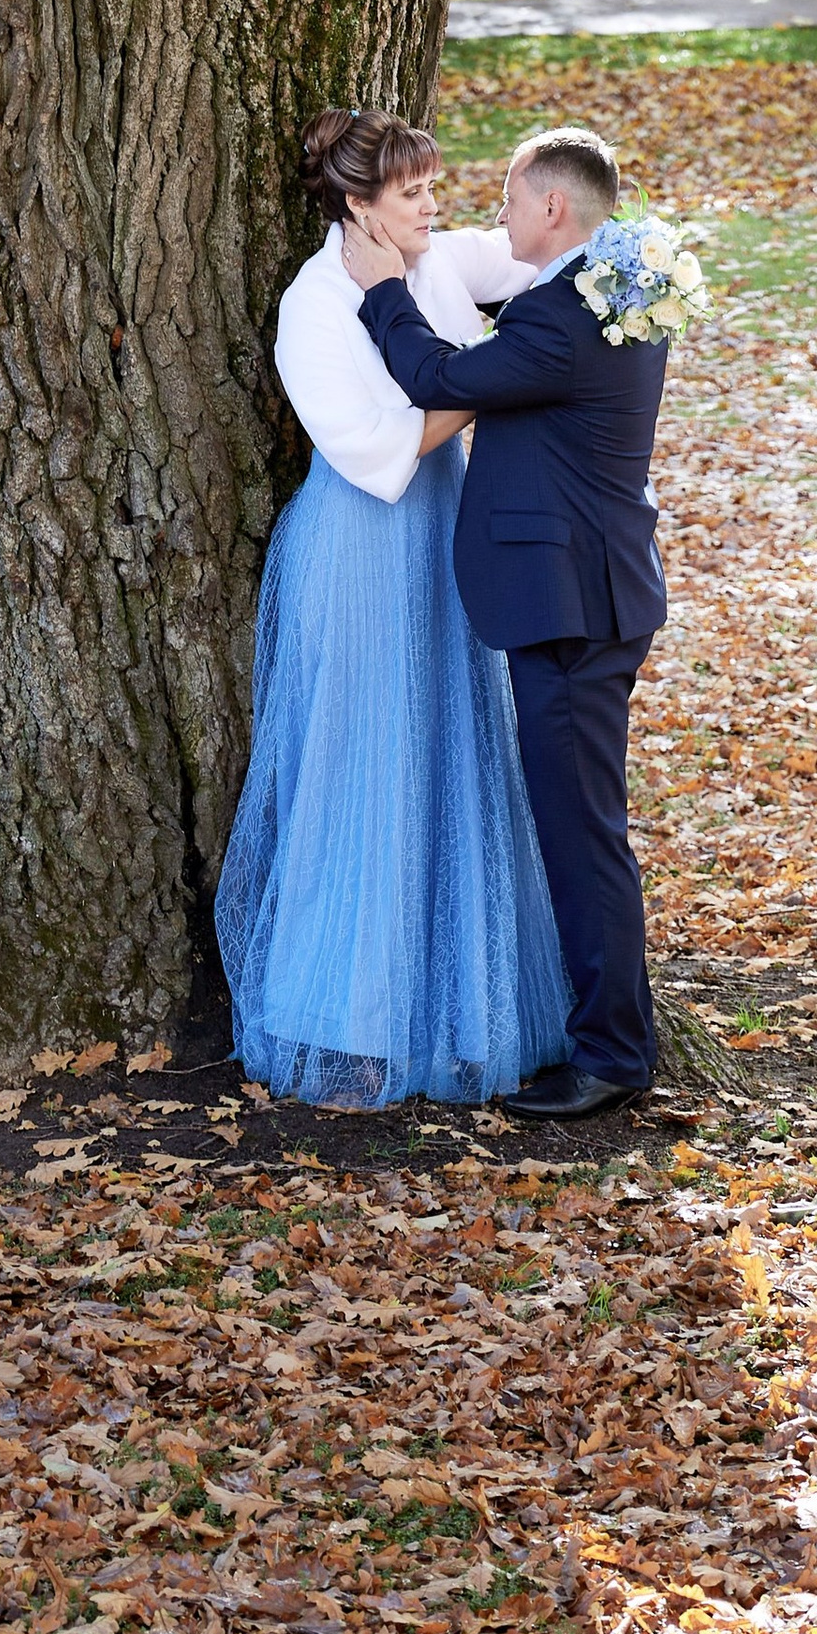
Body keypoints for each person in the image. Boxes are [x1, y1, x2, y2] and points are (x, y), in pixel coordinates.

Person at [215, 107, 573, 1109]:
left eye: (430, 187)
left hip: (448, 542)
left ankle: (459, 1018)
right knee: (366, 773)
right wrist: (497, 383)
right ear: (357, 205)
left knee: (450, 759)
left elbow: (548, 251)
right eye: (410, 193)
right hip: (364, 551)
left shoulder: (439, 262)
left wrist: (634, 258)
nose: (430, 206)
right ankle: (353, 1024)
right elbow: (376, 451)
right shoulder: (316, 304)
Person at [346, 124, 667, 1121]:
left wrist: (380, 290)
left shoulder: (566, 320)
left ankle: (612, 1054)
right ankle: (609, 1037)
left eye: (509, 198)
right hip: (597, 584)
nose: (497, 212)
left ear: (553, 210)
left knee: (581, 836)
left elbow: (438, 380)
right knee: (584, 829)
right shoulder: (621, 286)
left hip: (569, 604)